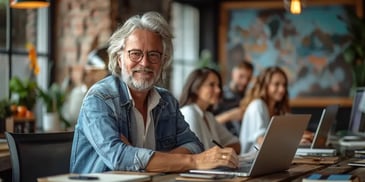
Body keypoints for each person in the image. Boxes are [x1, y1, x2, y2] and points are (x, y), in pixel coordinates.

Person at [69, 11, 238, 173]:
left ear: (163, 61)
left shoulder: (167, 101)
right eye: (135, 54)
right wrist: (192, 161)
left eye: (153, 55)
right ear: (119, 59)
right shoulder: (99, 98)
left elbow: (193, 145)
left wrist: (154, 162)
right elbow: (119, 157)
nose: (145, 63)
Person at [238, 66, 313, 154]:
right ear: (265, 85)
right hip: (250, 161)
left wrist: (308, 136)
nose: (282, 89)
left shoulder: (277, 109)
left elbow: (284, 134)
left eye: (284, 85)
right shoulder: (257, 105)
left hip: (269, 156)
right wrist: (294, 142)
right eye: (276, 84)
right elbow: (262, 141)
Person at [179, 67, 241, 154]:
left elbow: (236, 144)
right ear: (196, 88)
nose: (218, 90)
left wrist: (217, 154)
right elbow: (196, 153)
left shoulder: (208, 116)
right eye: (211, 85)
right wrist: (221, 153)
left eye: (219, 85)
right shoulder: (189, 113)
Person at [212, 60, 254, 136]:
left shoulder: (249, 97)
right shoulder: (218, 95)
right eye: (241, 76)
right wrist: (229, 115)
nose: (245, 81)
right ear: (233, 74)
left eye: (248, 78)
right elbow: (207, 124)